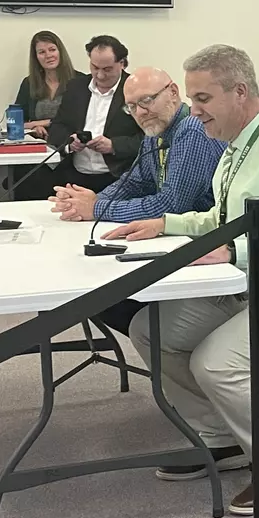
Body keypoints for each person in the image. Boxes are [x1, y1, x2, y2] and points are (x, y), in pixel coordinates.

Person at [102, 44, 259, 516]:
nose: (193, 112)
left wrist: (232, 251)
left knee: (217, 363)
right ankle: (224, 439)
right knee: (150, 331)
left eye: (202, 99)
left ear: (240, 92)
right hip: (254, 282)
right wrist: (168, 224)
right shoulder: (239, 147)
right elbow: (223, 217)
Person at [47, 66, 226, 336]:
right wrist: (88, 202)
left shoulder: (191, 130)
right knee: (94, 291)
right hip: (169, 238)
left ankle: (167, 346)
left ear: (173, 93)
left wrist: (95, 208)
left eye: (146, 100)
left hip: (199, 246)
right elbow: (135, 181)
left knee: (103, 295)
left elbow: (172, 205)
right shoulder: (156, 131)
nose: (140, 112)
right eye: (131, 107)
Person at [44, 34, 144, 193]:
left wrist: (114, 146)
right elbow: (58, 126)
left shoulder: (138, 90)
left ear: (122, 63)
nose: (100, 75)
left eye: (107, 69)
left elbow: (151, 139)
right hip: (75, 177)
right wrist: (70, 142)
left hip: (120, 179)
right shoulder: (76, 87)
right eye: (95, 67)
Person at [14, 30, 81, 139]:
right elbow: (16, 122)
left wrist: (42, 122)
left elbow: (79, 119)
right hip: (39, 143)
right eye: (42, 52)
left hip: (72, 144)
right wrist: (33, 128)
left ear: (60, 52)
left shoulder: (80, 80)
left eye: (52, 50)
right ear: (36, 57)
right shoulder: (29, 83)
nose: (48, 55)